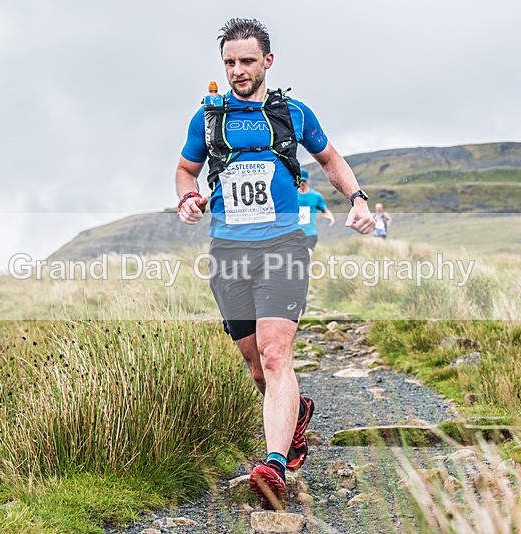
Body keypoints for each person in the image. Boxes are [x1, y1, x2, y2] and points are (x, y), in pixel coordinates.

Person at [175, 18, 374, 510]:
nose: (237, 71)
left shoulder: (292, 113)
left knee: (274, 354)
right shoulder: (208, 118)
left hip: (284, 245)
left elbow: (330, 160)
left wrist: (358, 198)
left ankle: (275, 465)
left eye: (246, 61)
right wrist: (187, 198)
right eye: (229, 63)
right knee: (254, 362)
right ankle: (295, 413)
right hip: (228, 249)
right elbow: (185, 171)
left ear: (267, 61)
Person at [297, 169, 334, 257]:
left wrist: (330, 217)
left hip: (310, 233)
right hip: (295, 234)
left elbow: (325, 210)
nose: (302, 183)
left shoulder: (316, 196)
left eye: (304, 181)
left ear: (308, 181)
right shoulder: (292, 195)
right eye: (300, 180)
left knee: (306, 259)